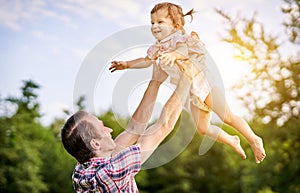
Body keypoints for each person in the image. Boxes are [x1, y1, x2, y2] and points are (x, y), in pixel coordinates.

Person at [109, 2, 266, 164]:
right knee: (203, 129)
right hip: (191, 94)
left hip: (204, 85)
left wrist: (174, 56)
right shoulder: (156, 47)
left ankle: (254, 139)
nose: (155, 26)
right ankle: (232, 140)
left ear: (176, 25)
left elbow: (183, 51)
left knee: (227, 117)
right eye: (152, 23)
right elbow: (146, 61)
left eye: (160, 22)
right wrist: (127, 64)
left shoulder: (179, 38)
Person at [61, 63, 193, 192]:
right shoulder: (111, 173)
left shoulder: (81, 173)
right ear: (95, 144)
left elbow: (134, 129)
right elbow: (165, 125)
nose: (110, 130)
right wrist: (186, 80)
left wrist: (156, 81)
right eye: (103, 128)